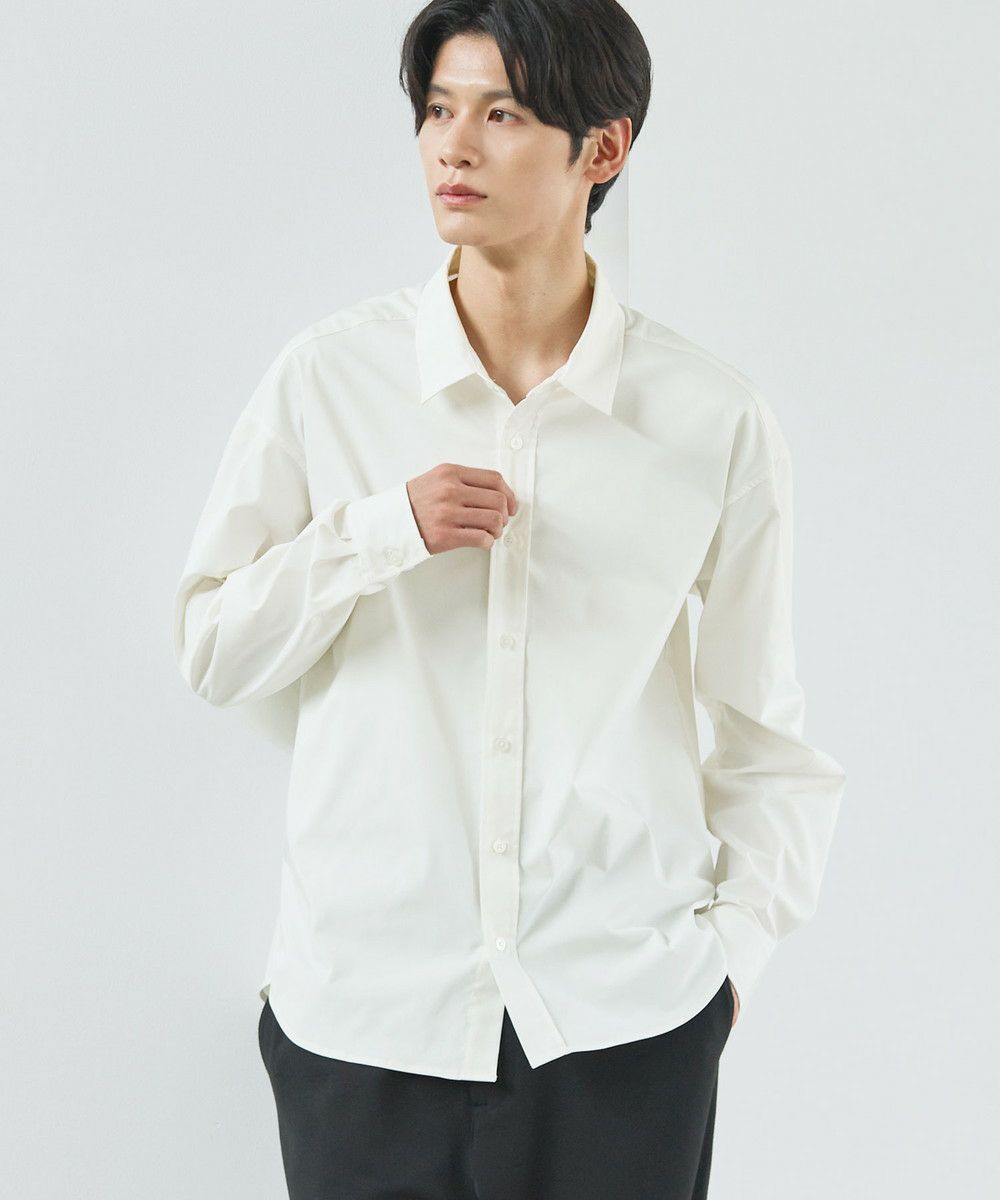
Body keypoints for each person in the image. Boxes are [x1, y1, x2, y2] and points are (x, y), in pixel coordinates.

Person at [171, 2, 847, 1197]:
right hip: (364, 1018)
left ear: (604, 148)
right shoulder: (328, 380)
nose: (453, 145)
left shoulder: (710, 420)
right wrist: (379, 533)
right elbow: (214, 650)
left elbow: (765, 738)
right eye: (437, 109)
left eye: (502, 114)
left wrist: (728, 964)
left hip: (621, 1025)